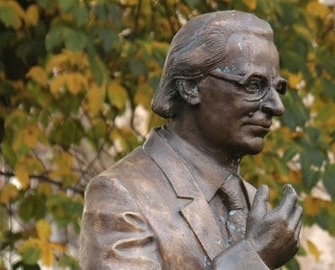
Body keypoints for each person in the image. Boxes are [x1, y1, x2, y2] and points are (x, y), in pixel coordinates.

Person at [79, 10, 302, 270]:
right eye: (254, 85)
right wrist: (253, 258)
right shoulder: (123, 194)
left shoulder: (253, 203)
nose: (276, 106)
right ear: (190, 87)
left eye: (278, 88)